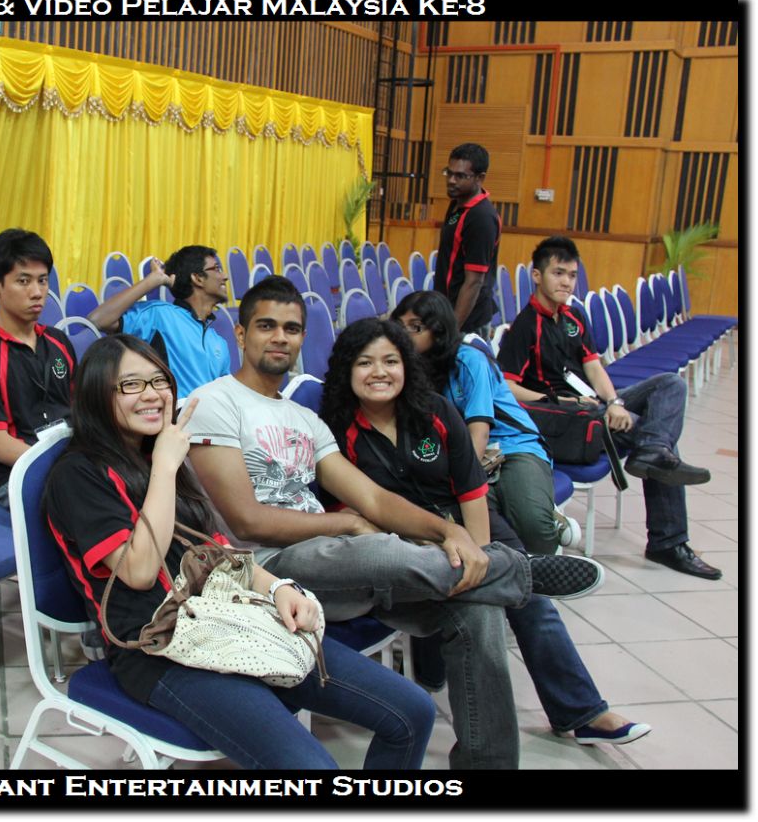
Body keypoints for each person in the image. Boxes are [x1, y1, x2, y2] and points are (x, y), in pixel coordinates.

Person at [183, 276, 604, 768]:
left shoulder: (305, 420)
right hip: (266, 573)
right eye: (266, 326)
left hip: (344, 576)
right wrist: (347, 525)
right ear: (240, 333)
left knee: (478, 609)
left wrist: (448, 531)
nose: (280, 337)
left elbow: (373, 499)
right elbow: (246, 520)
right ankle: (517, 571)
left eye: (291, 329)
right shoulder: (215, 402)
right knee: (377, 544)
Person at [44, 333, 436, 769]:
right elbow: (139, 571)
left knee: (413, 712)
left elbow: (216, 548)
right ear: (98, 394)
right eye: (132, 385)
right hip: (158, 649)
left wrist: (279, 588)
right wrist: (166, 468)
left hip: (228, 616)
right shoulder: (78, 474)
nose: (153, 395)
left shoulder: (155, 453)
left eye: (159, 381)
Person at [322, 316, 650, 747]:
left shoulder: (434, 410)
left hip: (467, 518)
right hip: (402, 540)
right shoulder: (335, 429)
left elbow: (471, 488)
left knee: (515, 594)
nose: (379, 372)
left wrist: (479, 553)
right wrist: (445, 545)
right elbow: (358, 511)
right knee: (518, 589)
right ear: (347, 370)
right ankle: (524, 581)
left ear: (407, 365)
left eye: (391, 361)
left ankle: (579, 709)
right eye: (365, 362)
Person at [498, 236, 720, 580]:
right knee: (658, 442)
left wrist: (614, 402)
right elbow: (507, 388)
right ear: (537, 276)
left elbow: (593, 367)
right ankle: (667, 540)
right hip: (562, 422)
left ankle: (653, 450)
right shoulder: (525, 327)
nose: (566, 282)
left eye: (572, 275)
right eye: (558, 273)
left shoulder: (573, 316)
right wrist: (557, 400)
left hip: (592, 408)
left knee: (669, 385)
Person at [391, 290, 576, 555]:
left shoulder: (468, 359)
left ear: (438, 330)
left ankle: (547, 524)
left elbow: (479, 433)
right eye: (400, 326)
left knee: (533, 525)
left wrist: (464, 485)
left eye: (416, 327)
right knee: (476, 524)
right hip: (462, 456)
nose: (404, 335)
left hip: (512, 445)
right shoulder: (406, 368)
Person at [0, 228, 75, 523]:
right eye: (24, 281)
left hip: (70, 463)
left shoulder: (59, 342)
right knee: (92, 502)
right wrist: (65, 467)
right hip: (18, 475)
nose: (37, 292)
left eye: (42, 280)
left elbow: (81, 411)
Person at [86, 245, 231, 392]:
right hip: (171, 406)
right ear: (197, 278)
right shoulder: (159, 315)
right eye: (217, 269)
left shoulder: (219, 341)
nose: (225, 276)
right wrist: (153, 280)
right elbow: (97, 320)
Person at [433, 142, 500, 335]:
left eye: (460, 176)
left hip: (466, 322)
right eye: (449, 173)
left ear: (480, 178)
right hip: (448, 311)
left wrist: (452, 331)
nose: (451, 180)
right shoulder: (457, 204)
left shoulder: (481, 218)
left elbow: (474, 281)